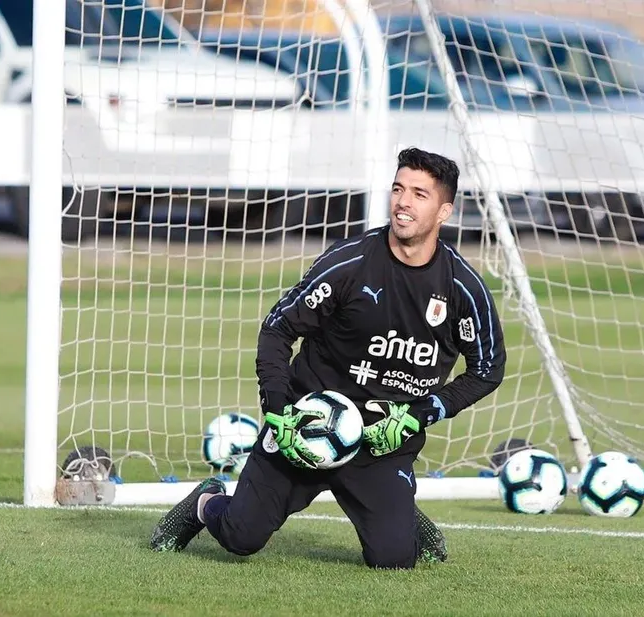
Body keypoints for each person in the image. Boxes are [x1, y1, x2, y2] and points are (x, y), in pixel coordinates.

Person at [150, 147, 507, 569]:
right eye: (398, 189)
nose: (403, 202)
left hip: (382, 444)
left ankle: (400, 514)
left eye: (419, 194)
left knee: (394, 560)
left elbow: (488, 369)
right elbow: (278, 329)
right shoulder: (348, 263)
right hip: (306, 425)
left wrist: (419, 414)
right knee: (240, 538)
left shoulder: (463, 288)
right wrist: (279, 409)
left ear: (444, 210)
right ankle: (204, 503)